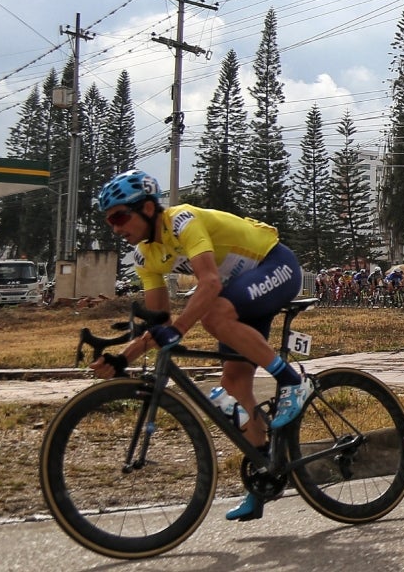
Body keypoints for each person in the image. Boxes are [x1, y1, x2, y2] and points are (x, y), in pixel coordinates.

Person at [87, 169, 306, 522]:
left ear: (146, 208)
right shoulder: (145, 256)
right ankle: (266, 475)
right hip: (244, 293)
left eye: (119, 217)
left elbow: (209, 281)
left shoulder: (181, 221)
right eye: (109, 221)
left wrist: (180, 329)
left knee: (213, 314)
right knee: (233, 385)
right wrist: (121, 359)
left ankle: (294, 381)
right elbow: (160, 325)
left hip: (275, 265)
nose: (115, 227)